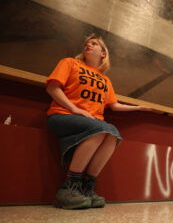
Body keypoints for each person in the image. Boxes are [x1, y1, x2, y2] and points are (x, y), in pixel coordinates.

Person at [46, 33, 151, 209]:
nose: (89, 45)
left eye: (94, 44)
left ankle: (87, 188)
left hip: (93, 124)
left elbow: (115, 105)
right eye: (86, 43)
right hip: (62, 115)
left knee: (113, 134)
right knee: (101, 129)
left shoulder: (105, 80)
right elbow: (52, 87)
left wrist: (138, 108)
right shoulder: (70, 63)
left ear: (103, 53)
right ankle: (68, 188)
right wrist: (74, 108)